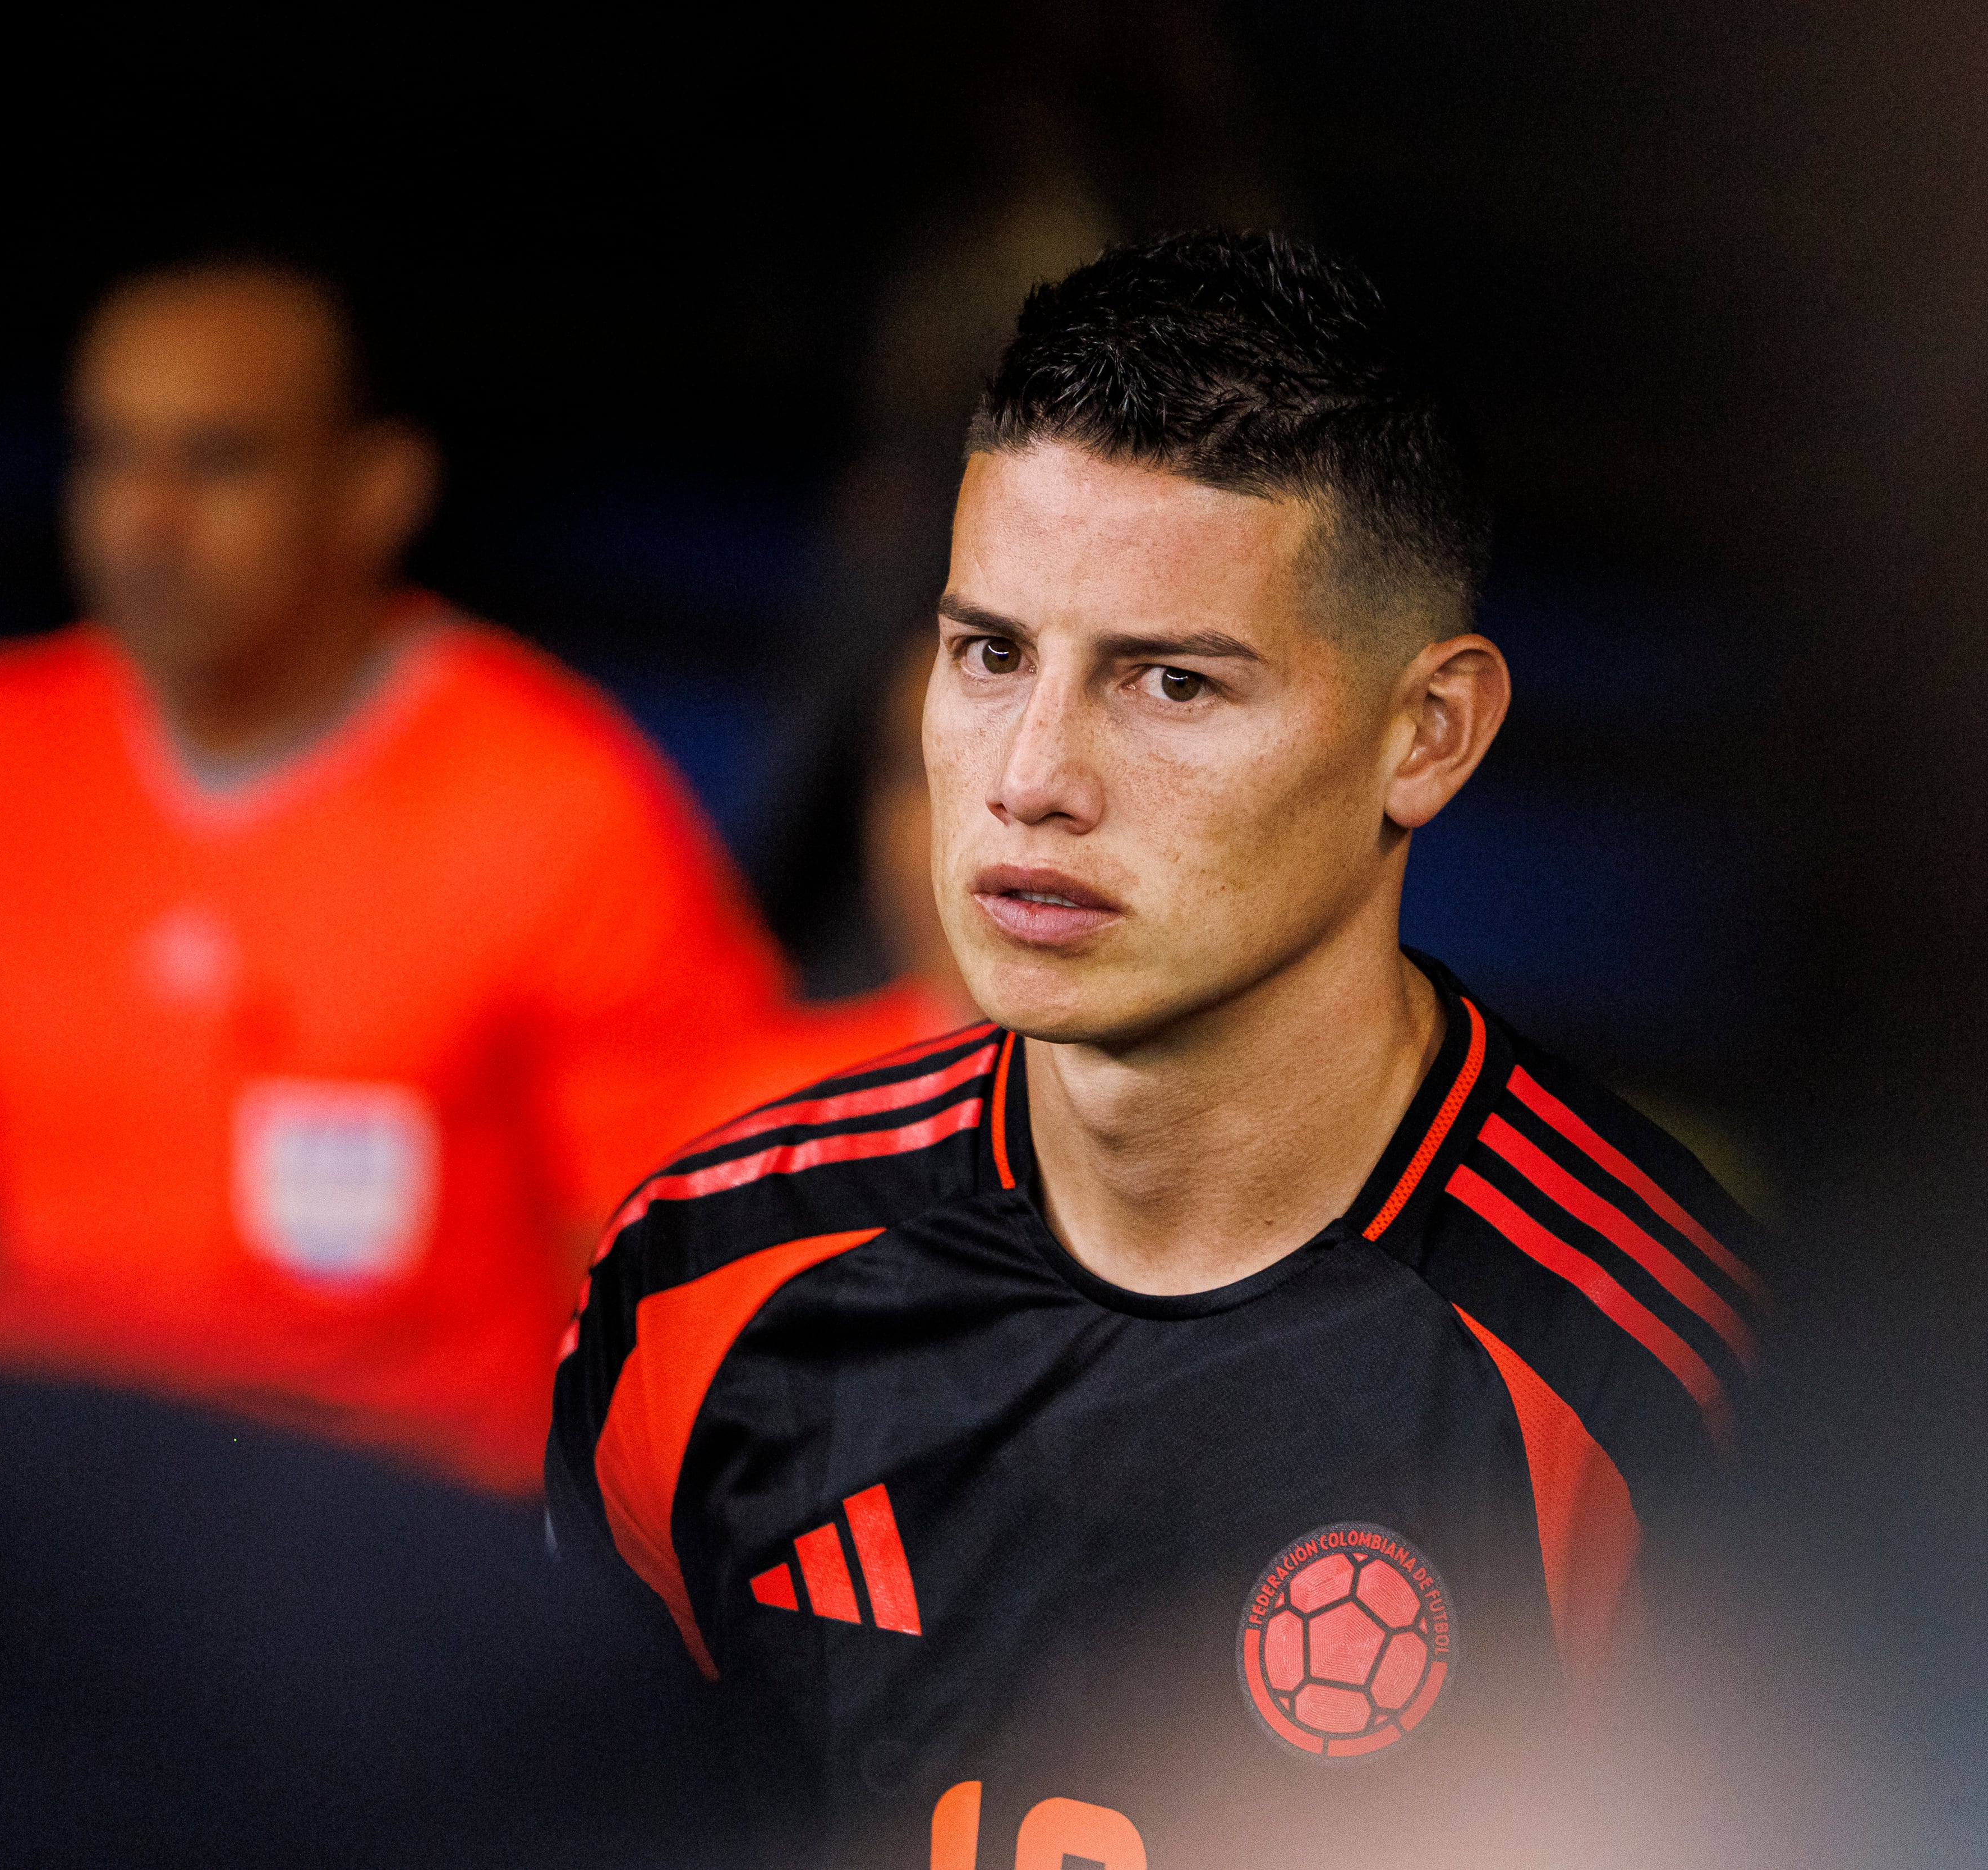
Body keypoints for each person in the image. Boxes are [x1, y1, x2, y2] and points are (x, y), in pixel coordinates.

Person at [548, 231, 1770, 1865]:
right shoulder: (706, 1282)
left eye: (1173, 681)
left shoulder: (1677, 1380)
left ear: (1431, 734)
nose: (1033, 775)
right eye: (991, 653)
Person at [0, 255, 926, 1498]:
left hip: (400, 1580)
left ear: (375, 489)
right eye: (106, 453)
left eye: (217, 460)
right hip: (38, 1515)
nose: (142, 516)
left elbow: (686, 1297)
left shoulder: (559, 807)